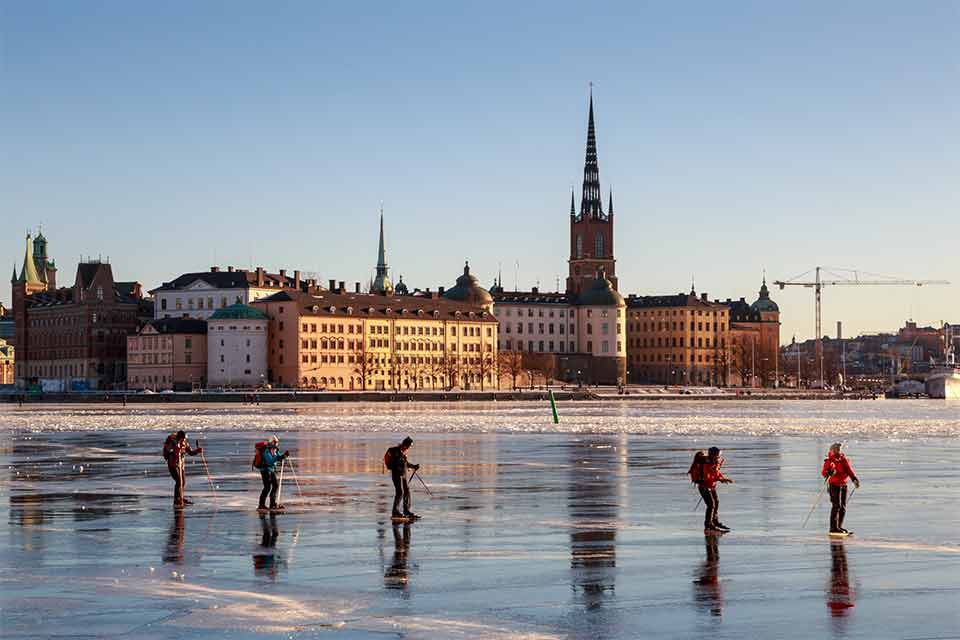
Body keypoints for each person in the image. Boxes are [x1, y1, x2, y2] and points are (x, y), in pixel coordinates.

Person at [691, 446, 733, 532]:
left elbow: (716, 473)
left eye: (719, 455)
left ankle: (714, 521)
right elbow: (707, 477)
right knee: (711, 505)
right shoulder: (705, 463)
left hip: (711, 486)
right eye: (717, 455)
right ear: (712, 454)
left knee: (716, 503)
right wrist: (718, 479)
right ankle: (708, 524)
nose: (718, 456)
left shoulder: (714, 462)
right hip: (704, 486)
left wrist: (722, 479)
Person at [822, 442, 860, 534]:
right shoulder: (829, 460)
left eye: (839, 449)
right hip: (834, 485)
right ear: (832, 450)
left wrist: (854, 479)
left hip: (843, 485)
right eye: (836, 449)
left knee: (843, 506)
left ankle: (839, 526)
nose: (838, 451)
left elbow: (849, 470)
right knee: (836, 505)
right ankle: (833, 527)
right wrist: (829, 473)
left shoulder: (843, 459)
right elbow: (824, 472)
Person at [164, 430, 202, 508]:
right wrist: (175, 450)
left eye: (185, 438)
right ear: (179, 437)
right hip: (173, 464)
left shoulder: (184, 444)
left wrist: (197, 451)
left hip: (181, 465)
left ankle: (180, 497)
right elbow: (168, 450)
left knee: (183, 482)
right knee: (179, 481)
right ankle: (177, 499)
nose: (184, 440)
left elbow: (190, 452)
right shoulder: (173, 443)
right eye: (183, 438)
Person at [385, 436, 420, 519]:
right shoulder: (396, 451)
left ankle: (406, 510)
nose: (409, 448)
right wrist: (401, 457)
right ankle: (395, 511)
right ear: (405, 444)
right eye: (409, 446)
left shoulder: (403, 452)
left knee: (407, 492)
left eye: (410, 446)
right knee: (400, 492)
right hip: (397, 475)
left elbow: (405, 463)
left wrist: (413, 466)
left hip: (403, 475)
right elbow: (396, 463)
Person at [258, 435, 289, 512]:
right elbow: (270, 461)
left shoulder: (275, 450)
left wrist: (283, 456)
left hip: (271, 469)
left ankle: (272, 504)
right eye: (275, 442)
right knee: (267, 487)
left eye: (277, 442)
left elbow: (278, 457)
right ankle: (261, 505)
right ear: (271, 442)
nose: (276, 444)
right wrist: (278, 458)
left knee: (275, 485)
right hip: (265, 470)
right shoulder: (266, 450)